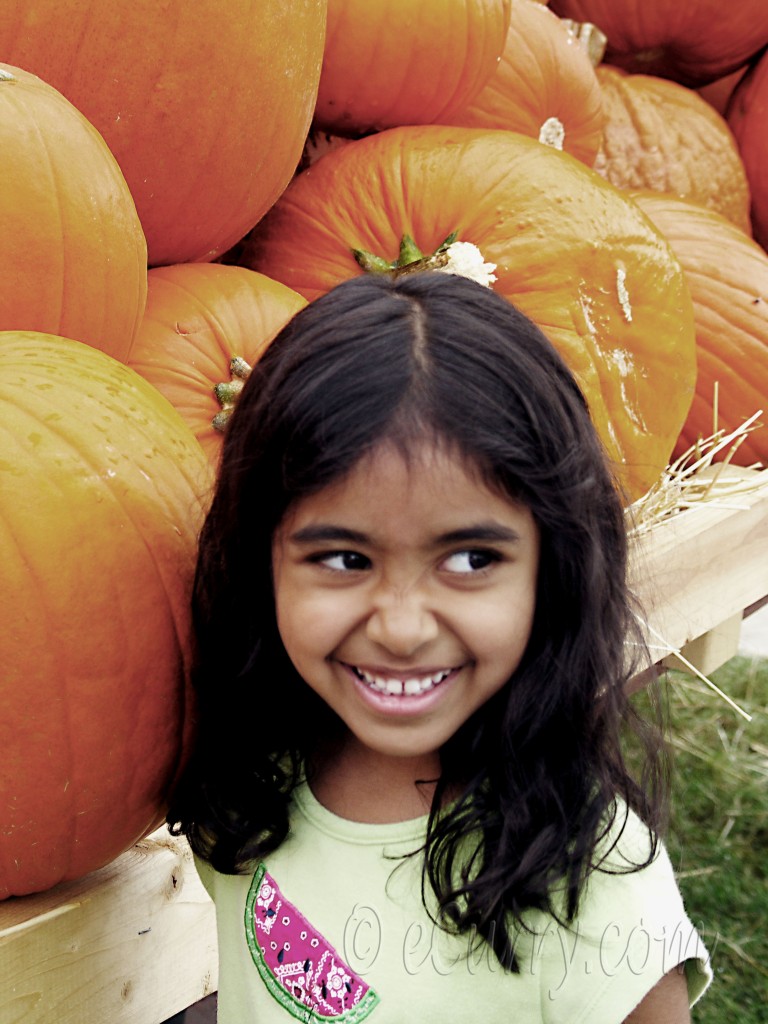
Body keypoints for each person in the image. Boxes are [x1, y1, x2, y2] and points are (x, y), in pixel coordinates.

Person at [168, 271, 711, 1023]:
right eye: (345, 559)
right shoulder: (259, 771)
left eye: (469, 560)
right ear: (260, 557)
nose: (401, 626)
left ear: (552, 567)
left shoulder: (597, 889)